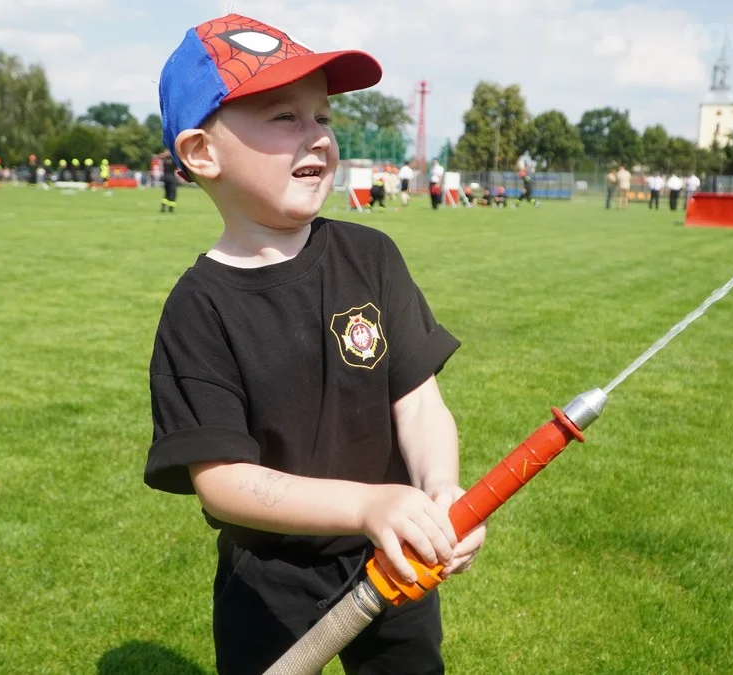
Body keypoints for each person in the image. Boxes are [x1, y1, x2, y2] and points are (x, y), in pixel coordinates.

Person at [143, 13, 485, 675]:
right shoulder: (199, 309)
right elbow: (223, 482)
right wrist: (365, 502)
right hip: (268, 581)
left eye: (322, 118)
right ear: (201, 153)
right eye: (282, 117)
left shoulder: (371, 256)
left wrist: (440, 489)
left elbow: (419, 405)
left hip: (393, 556)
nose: (319, 138)